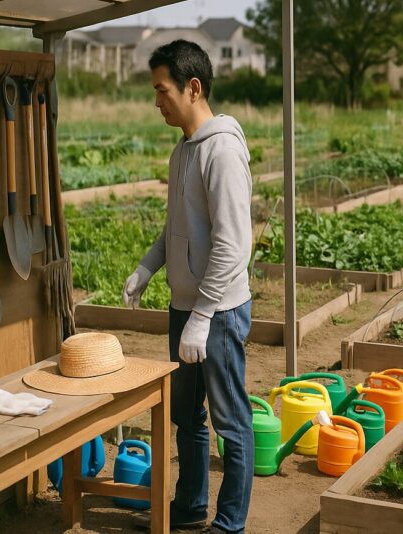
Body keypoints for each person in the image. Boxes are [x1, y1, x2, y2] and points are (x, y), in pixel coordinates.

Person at [122, 40, 254, 533]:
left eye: (162, 90)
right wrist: (146, 267)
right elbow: (178, 224)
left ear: (192, 87)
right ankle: (191, 507)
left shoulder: (220, 150)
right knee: (186, 418)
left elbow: (230, 244)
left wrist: (201, 317)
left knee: (230, 422)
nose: (157, 101)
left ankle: (230, 523)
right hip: (188, 310)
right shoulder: (184, 149)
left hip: (216, 315)